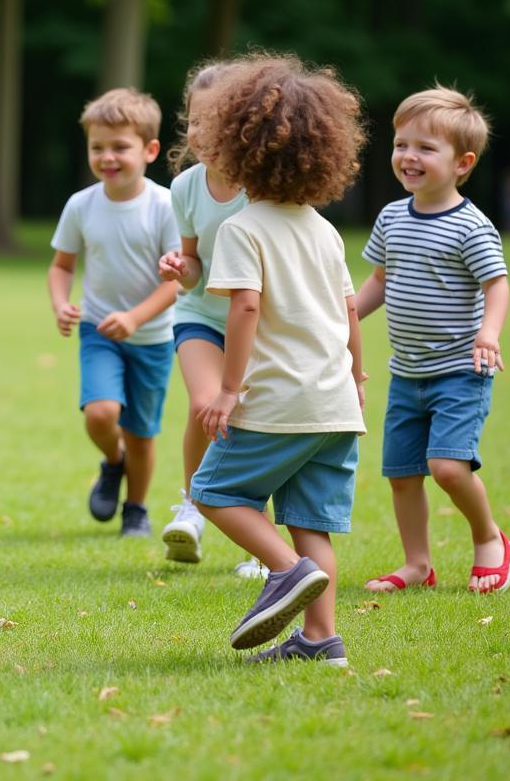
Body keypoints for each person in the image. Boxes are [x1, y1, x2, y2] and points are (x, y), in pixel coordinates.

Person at [191, 55, 366, 667]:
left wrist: (229, 389)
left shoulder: (244, 228)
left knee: (212, 490)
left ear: (236, 149)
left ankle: (285, 572)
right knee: (310, 520)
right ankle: (322, 642)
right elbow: (348, 311)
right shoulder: (323, 230)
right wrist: (359, 376)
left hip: (278, 400)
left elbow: (244, 309)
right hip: (335, 402)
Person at [356, 87, 510, 595]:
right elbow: (380, 280)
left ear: (463, 162)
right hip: (407, 373)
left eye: (426, 147)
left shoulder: (471, 226)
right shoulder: (391, 216)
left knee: (447, 467)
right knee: (403, 475)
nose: (409, 156)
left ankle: (491, 539)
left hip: (460, 372)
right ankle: (417, 564)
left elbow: (498, 284)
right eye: (402, 144)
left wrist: (488, 334)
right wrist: (346, 321)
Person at [48, 88, 180, 538]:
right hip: (99, 330)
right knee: (101, 414)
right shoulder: (82, 205)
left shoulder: (165, 206)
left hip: (153, 338)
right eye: (97, 147)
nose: (108, 157)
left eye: (120, 147)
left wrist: (136, 318)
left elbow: (176, 281)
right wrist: (61, 302)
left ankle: (137, 510)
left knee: (142, 432)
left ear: (149, 150)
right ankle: (112, 461)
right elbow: (61, 266)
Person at [157, 62, 263, 577]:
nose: (200, 133)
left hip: (260, 325)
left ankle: (259, 547)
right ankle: (193, 506)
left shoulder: (264, 188)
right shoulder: (186, 188)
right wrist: (180, 267)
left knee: (253, 421)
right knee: (205, 405)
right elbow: (193, 266)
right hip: (200, 314)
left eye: (214, 121)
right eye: (194, 120)